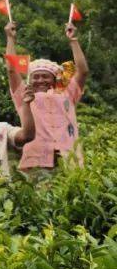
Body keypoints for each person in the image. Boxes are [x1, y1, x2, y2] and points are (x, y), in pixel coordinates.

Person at [6, 20, 88, 175]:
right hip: (36, 162)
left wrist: (73, 40)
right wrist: (10, 39)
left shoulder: (67, 94)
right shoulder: (25, 95)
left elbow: (83, 71)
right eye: (36, 77)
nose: (40, 80)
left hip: (69, 161)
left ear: (53, 79)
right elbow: (11, 70)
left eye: (45, 76)